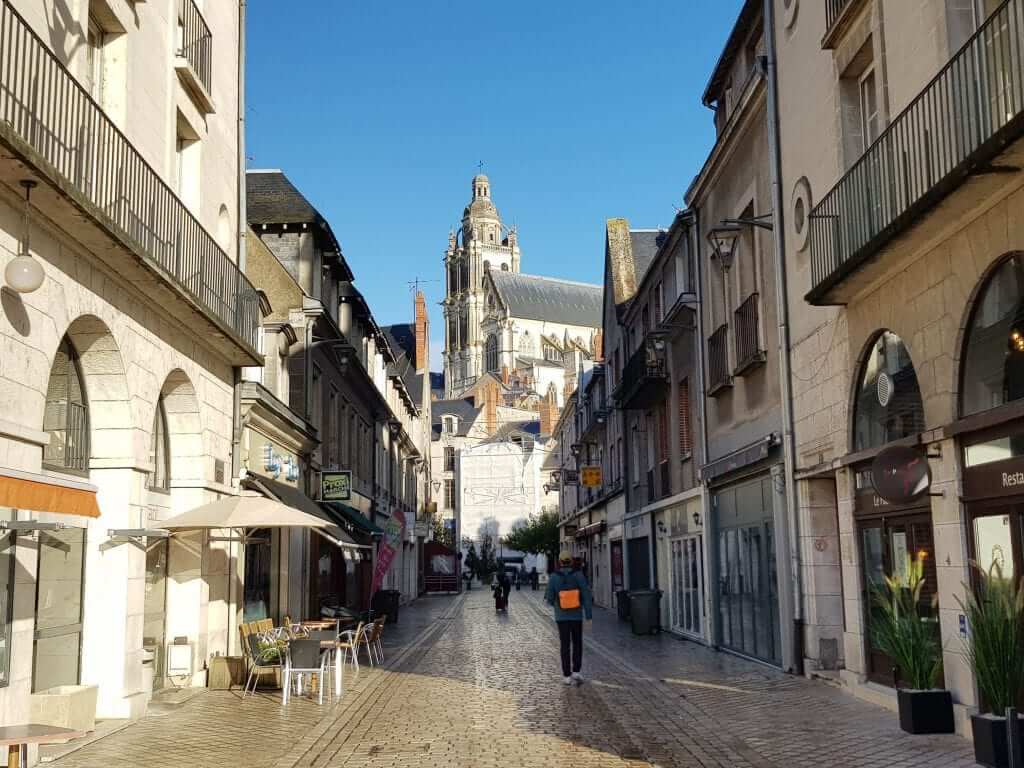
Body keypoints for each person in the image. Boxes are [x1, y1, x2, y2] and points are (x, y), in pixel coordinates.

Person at [545, 551, 593, 685]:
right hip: (576, 616)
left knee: (564, 645)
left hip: (561, 617)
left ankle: (566, 675)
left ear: (559, 562)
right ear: (571, 561)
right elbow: (586, 596)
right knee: (577, 643)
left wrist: (556, 600)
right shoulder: (578, 575)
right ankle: (576, 671)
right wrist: (588, 616)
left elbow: (548, 598)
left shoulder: (554, 577)